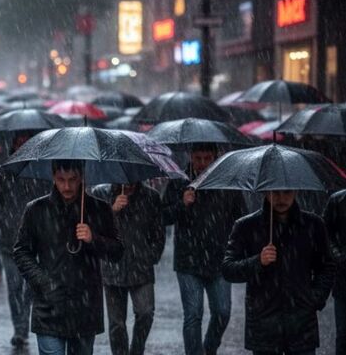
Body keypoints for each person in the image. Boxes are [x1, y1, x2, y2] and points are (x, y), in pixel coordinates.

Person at [13, 160, 123, 355]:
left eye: (72, 180)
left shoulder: (99, 209)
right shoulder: (37, 209)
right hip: (48, 306)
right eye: (61, 180)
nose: (67, 186)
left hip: (85, 306)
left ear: (81, 177)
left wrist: (93, 239)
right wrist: (43, 281)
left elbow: (117, 252)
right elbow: (21, 252)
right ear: (53, 178)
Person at [223, 190, 336, 354]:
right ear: (264, 192)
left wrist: (315, 298)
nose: (281, 198)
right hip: (264, 324)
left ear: (296, 191)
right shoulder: (246, 226)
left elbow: (326, 266)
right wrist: (258, 261)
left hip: (301, 324)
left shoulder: (313, 225)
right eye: (275, 192)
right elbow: (228, 269)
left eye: (287, 192)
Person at [162, 143, 246, 355]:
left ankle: (209, 349)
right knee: (193, 314)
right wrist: (182, 203)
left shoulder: (228, 181)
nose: (201, 163)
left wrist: (237, 248)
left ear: (214, 156)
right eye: (197, 158)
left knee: (222, 312)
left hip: (219, 259)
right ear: (191, 156)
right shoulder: (179, 180)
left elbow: (241, 218)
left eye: (206, 158)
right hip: (188, 260)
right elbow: (163, 216)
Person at [0, 131, 52, 347]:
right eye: (18, 141)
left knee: (29, 286)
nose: (21, 145)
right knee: (14, 286)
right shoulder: (4, 172)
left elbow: (50, 202)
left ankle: (23, 325)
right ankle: (20, 328)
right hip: (9, 242)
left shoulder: (41, 172)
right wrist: (4, 219)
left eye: (25, 142)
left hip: (34, 242)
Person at [92, 183, 165, 355]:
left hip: (141, 267)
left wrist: (150, 256)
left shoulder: (151, 197)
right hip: (112, 266)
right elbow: (91, 227)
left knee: (145, 312)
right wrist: (112, 210)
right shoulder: (101, 193)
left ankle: (136, 351)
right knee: (116, 324)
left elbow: (159, 232)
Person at [324, 189, 346, 353]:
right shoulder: (337, 201)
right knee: (343, 335)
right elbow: (325, 233)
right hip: (344, 280)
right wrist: (338, 254)